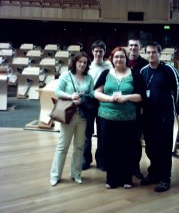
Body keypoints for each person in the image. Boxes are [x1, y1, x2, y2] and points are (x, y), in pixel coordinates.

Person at [94, 46, 145, 189]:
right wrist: (110, 99)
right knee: (110, 148)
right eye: (116, 56)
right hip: (107, 117)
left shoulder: (135, 74)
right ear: (112, 59)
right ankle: (111, 178)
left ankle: (127, 178)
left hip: (128, 119)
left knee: (127, 148)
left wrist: (126, 97)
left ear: (126, 59)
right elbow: (96, 92)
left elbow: (141, 96)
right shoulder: (105, 73)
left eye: (122, 56)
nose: (119, 59)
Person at [140, 42, 179, 192]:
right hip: (148, 116)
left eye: (154, 52)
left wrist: (174, 109)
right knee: (151, 147)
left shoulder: (168, 70)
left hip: (164, 116)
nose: (151, 55)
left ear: (160, 53)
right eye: (149, 52)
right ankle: (154, 174)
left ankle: (165, 178)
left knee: (164, 148)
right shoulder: (143, 71)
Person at [50, 51, 94, 186]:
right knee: (62, 146)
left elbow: (92, 94)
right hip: (68, 115)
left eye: (85, 62)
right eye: (80, 61)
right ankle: (55, 175)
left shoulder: (89, 78)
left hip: (82, 116)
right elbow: (57, 91)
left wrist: (83, 99)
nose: (82, 64)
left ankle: (76, 173)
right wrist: (71, 96)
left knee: (79, 147)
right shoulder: (66, 75)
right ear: (75, 62)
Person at [82, 40, 112, 171]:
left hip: (102, 101)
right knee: (86, 133)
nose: (98, 53)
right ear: (92, 51)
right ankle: (85, 160)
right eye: (96, 51)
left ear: (104, 52)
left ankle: (101, 160)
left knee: (102, 133)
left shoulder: (109, 67)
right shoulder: (87, 66)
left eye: (101, 51)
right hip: (88, 102)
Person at [127, 37, 148, 179]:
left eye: (136, 45)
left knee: (135, 140)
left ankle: (135, 167)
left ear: (139, 48)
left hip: (137, 108)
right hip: (122, 107)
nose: (133, 48)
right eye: (131, 45)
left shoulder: (145, 64)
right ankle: (122, 166)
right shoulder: (121, 61)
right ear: (128, 47)